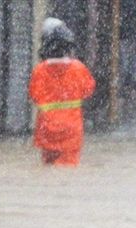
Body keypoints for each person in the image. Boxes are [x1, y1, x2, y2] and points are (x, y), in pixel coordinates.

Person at [29, 18, 96, 167]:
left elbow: (34, 95)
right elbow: (88, 90)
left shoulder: (39, 71)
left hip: (46, 129)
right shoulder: (78, 68)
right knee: (67, 169)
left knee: (48, 169)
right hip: (71, 131)